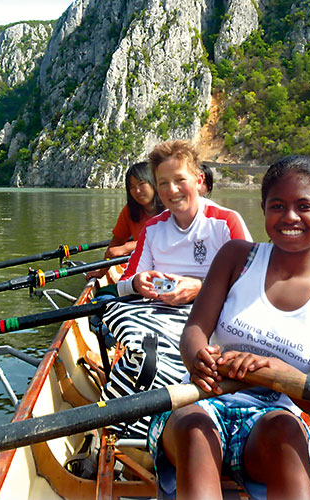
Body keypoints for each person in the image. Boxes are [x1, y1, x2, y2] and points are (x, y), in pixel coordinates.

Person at [147, 154, 310, 500]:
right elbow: (194, 331)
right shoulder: (236, 257)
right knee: (193, 427)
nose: (290, 217)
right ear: (263, 209)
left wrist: (279, 372)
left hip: (274, 419)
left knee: (286, 432)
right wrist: (197, 359)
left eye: (304, 206)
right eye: (277, 206)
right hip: (206, 399)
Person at [100, 140, 252, 437]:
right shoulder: (153, 228)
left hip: (211, 314)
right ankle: (151, 376)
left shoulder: (225, 222)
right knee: (117, 308)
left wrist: (200, 288)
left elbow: (251, 283)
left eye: (180, 180)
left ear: (198, 180)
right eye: (163, 183)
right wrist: (137, 282)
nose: (172, 190)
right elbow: (124, 284)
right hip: (157, 311)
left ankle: (149, 401)